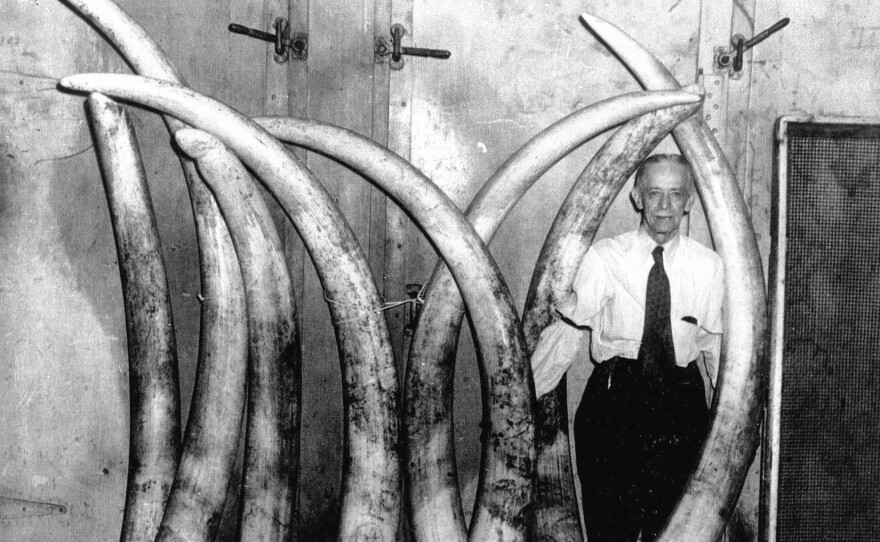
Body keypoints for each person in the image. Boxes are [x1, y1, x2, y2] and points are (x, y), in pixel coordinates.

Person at [530, 154, 724, 542]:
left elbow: (714, 347)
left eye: (676, 195)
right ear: (637, 198)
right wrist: (522, 396)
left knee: (671, 529)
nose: (665, 207)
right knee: (611, 528)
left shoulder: (710, 267)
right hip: (615, 404)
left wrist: (727, 416)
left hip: (681, 408)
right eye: (654, 194)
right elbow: (568, 330)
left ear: (690, 202)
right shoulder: (605, 257)